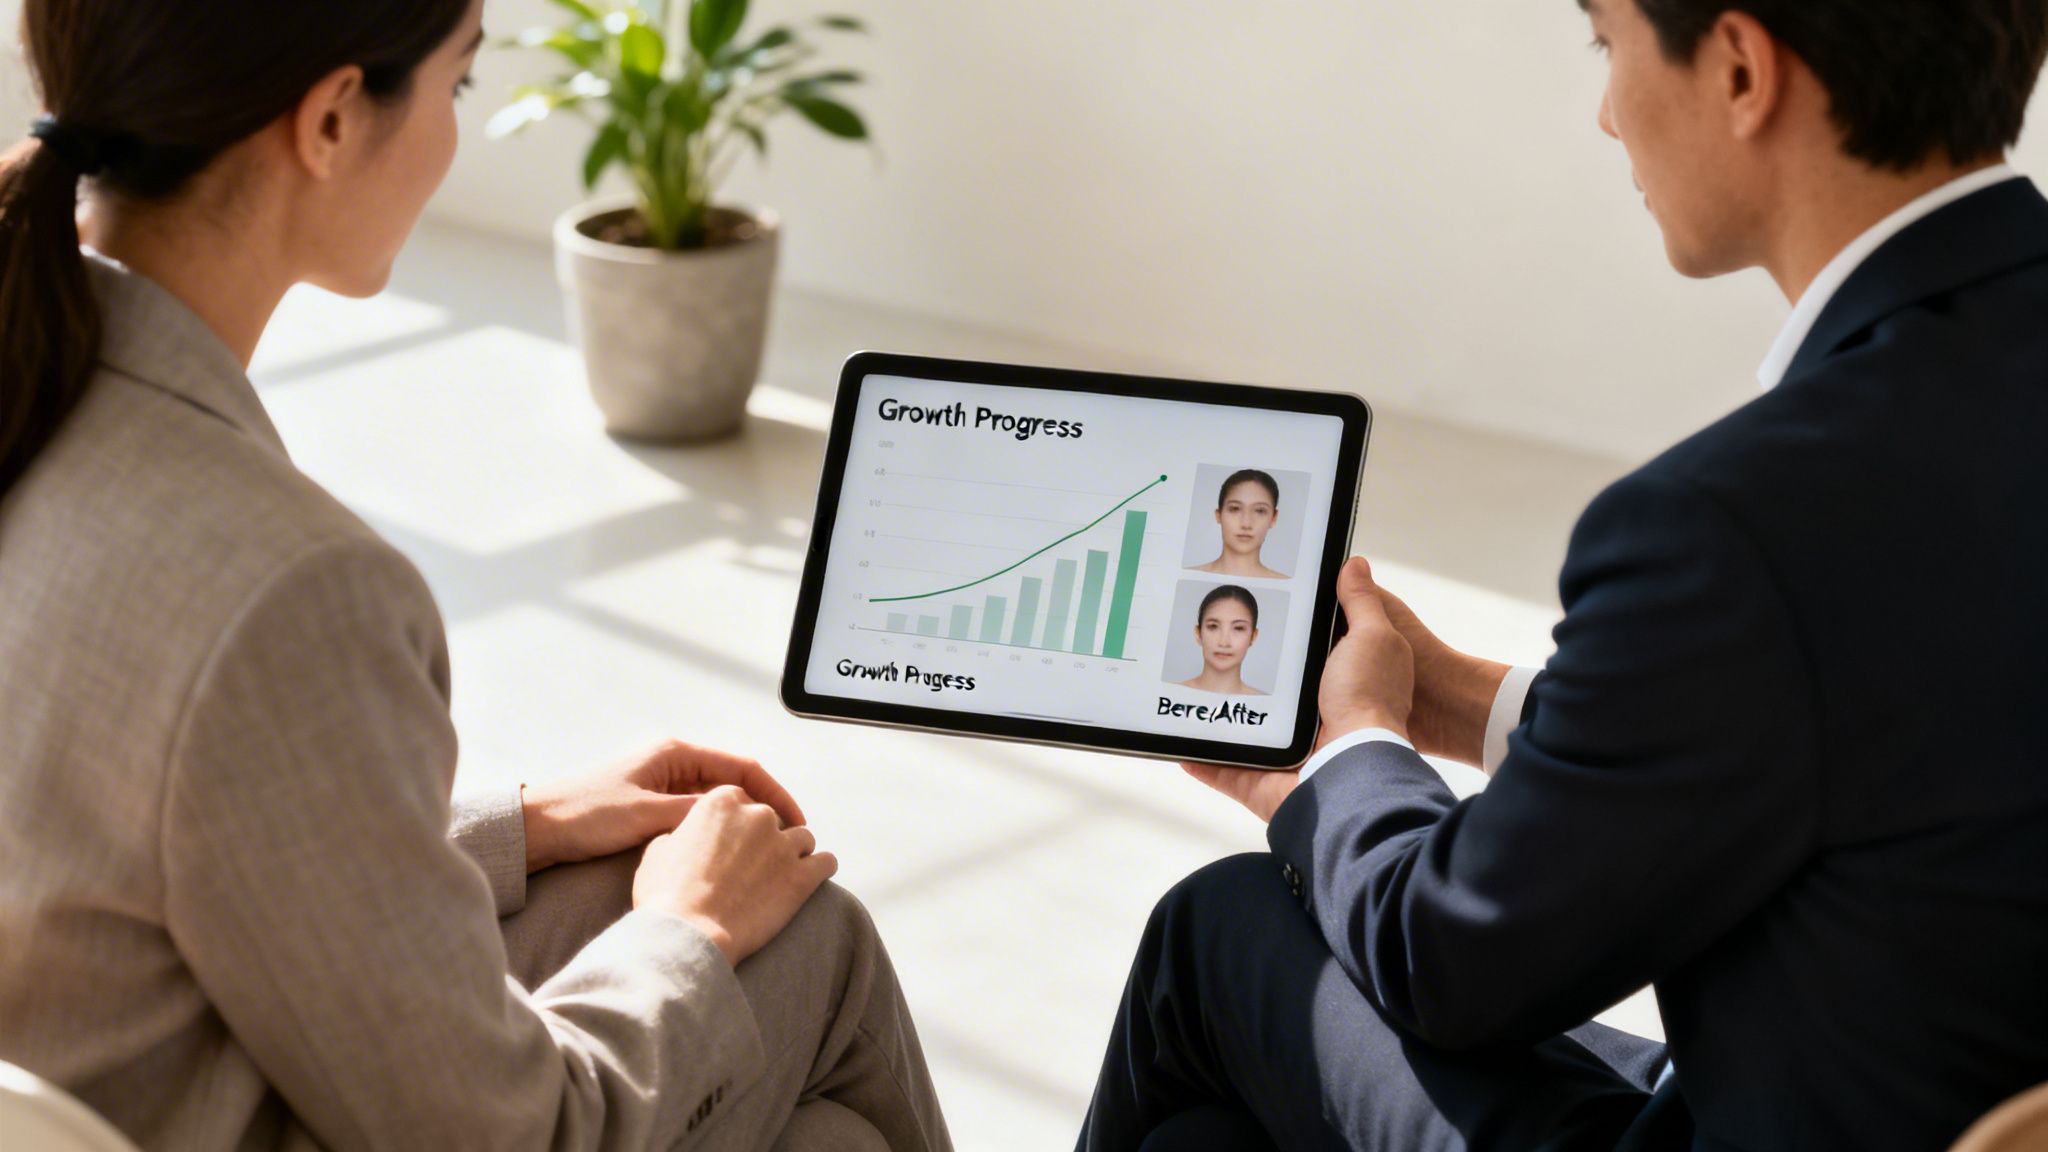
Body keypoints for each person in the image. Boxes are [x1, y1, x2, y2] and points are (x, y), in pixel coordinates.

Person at [1078, 0, 2048, 1149]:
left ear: (1740, 69)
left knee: (1218, 927)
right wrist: (1448, 697)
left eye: (1606, 43)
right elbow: (1858, 712)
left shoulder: (1737, 521)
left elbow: (1449, 958)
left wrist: (1342, 759)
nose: (1604, 114)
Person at [0, 2, 950, 1149]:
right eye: (457, 84)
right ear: (332, 120)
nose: (454, 131)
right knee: (810, 937)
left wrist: (517, 827)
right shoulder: (287, 588)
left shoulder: (33, 379)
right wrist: (688, 927)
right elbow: (517, 1138)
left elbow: (123, 858)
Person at [1189, 469, 1288, 580]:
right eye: (1235, 509)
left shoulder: (1284, 582)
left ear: (1273, 518)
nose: (1246, 524)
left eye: (1260, 511)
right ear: (1218, 515)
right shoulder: (1191, 575)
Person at [1175, 585, 1268, 696]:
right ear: (1198, 633)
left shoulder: (1265, 703)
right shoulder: (1170, 694)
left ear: (1253, 637)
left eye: (1238, 628)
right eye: (1213, 626)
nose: (1224, 642)